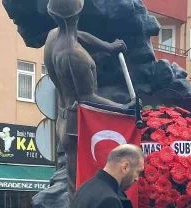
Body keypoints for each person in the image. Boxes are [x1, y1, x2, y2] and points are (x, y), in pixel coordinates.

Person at [44, 0, 133, 194]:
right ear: (78, 13)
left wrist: (108, 47)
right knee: (79, 186)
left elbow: (78, 36)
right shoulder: (72, 55)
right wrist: (124, 108)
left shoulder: (54, 36)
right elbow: (88, 97)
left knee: (77, 182)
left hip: (65, 117)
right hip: (77, 127)